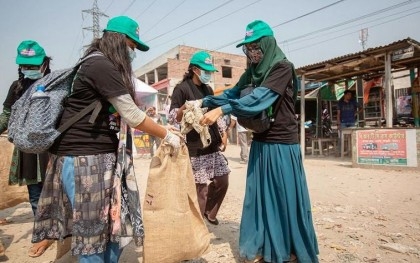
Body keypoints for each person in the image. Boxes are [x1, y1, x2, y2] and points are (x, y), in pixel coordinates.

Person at [31, 16, 181, 263]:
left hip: (99, 158)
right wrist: (167, 134)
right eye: (132, 47)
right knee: (91, 235)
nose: (133, 53)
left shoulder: (97, 65)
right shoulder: (100, 66)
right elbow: (132, 115)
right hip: (83, 160)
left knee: (113, 228)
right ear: (118, 41)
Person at [198, 20, 319, 262]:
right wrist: (203, 103)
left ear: (267, 44)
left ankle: (290, 249)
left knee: (283, 198)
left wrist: (223, 111)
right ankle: (263, 247)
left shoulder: (282, 67)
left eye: (256, 47)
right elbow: (233, 92)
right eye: (248, 48)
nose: (252, 52)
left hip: (282, 144)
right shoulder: (252, 72)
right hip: (261, 141)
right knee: (260, 199)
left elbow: (261, 99)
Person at [0, 40, 54, 257]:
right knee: (35, 194)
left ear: (43, 63)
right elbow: (6, 114)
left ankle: (61, 230)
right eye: (25, 65)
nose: (29, 69)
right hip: (28, 150)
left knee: (58, 192)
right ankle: (42, 234)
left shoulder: (54, 83)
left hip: (52, 147)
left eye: (33, 65)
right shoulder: (17, 87)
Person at [169, 50, 230, 226]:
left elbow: (214, 113)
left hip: (211, 142)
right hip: (195, 147)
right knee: (200, 189)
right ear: (195, 69)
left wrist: (224, 133)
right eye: (205, 70)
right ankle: (196, 227)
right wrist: (185, 107)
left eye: (210, 71)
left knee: (222, 179)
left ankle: (208, 213)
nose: (208, 74)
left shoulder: (208, 89)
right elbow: (173, 117)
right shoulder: (182, 89)